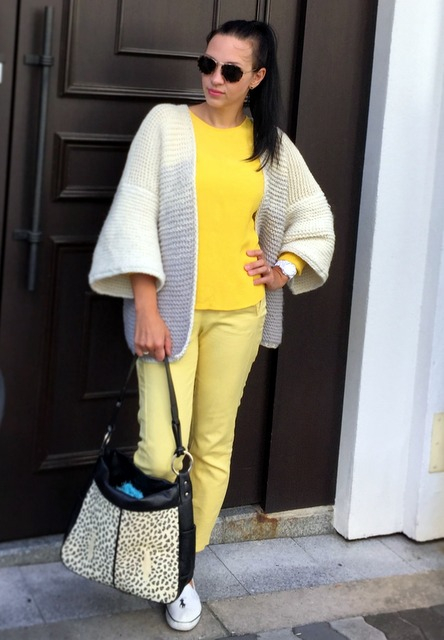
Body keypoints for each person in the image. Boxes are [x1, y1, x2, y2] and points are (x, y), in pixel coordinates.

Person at [89, 19, 334, 632]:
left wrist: (283, 267)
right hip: (168, 315)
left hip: (240, 314)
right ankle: (149, 556)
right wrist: (145, 306)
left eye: (230, 70)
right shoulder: (166, 125)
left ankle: (181, 572)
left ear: (257, 78)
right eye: (207, 64)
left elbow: (313, 213)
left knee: (213, 445)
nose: (214, 78)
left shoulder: (270, 145)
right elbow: (135, 211)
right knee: (157, 449)